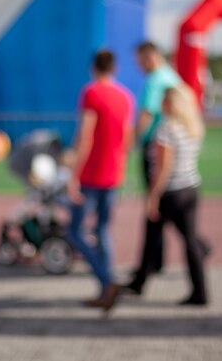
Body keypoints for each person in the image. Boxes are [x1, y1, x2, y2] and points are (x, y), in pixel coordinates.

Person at [67, 50, 134, 313]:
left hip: (91, 174)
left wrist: (73, 172)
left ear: (93, 67)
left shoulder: (91, 92)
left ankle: (107, 282)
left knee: (75, 230)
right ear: (114, 68)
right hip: (112, 173)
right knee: (103, 230)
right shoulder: (125, 96)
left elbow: (86, 135)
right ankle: (106, 289)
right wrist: (121, 168)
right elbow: (127, 137)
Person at [140, 84, 208, 305]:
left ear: (170, 104)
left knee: (151, 236)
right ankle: (200, 291)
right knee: (189, 240)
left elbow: (163, 168)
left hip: (171, 192)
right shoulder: (192, 127)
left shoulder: (166, 129)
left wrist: (153, 196)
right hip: (190, 187)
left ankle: (139, 281)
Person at [126, 41, 181, 293]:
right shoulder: (171, 75)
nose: (139, 66)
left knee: (154, 205)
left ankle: (147, 268)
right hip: (172, 144)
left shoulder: (155, 80)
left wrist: (131, 141)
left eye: (140, 60)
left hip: (155, 147)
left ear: (149, 57)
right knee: (165, 204)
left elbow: (147, 114)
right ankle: (155, 261)